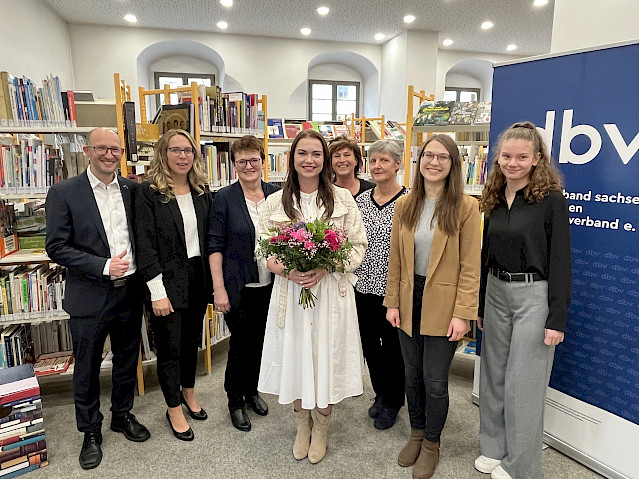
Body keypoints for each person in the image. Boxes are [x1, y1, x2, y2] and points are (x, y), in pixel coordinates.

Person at [257, 129, 367, 464]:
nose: (309, 160)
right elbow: (262, 251)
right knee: (297, 357)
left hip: (332, 294)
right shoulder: (274, 202)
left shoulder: (343, 199)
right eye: (302, 153)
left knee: (327, 358)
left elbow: (358, 248)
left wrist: (326, 266)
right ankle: (301, 424)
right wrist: (288, 270)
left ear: (325, 159)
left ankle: (321, 426)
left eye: (316, 154)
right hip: (291, 295)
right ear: (292, 158)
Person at [45, 127, 150, 470]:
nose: (109, 155)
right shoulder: (64, 192)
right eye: (102, 148)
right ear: (88, 150)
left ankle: (121, 415)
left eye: (115, 149)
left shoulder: (132, 189)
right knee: (87, 367)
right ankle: (90, 431)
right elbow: (56, 246)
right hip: (90, 294)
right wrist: (103, 266)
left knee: (125, 359)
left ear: (122, 153)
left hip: (130, 293)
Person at [474, 122, 571, 479]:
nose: (512, 163)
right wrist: (482, 304)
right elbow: (487, 253)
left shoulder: (551, 200)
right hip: (496, 291)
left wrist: (556, 318)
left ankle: (521, 465)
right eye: (506, 156)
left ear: (536, 160)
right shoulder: (494, 197)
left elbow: (561, 259)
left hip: (534, 294)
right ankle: (494, 447)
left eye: (521, 157)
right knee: (493, 376)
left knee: (523, 382)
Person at [385, 134, 481, 479]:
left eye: (443, 157)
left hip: (446, 300)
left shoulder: (466, 207)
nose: (434, 162)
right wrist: (392, 301)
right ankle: (416, 432)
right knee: (411, 374)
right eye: (429, 155)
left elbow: (471, 266)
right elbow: (396, 260)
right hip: (409, 297)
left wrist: (463, 313)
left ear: (453, 164)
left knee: (435, 379)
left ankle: (432, 443)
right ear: (419, 160)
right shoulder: (405, 205)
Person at [135, 129, 213, 442]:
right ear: (163, 154)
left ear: (195, 155)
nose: (182, 156)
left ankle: (189, 393)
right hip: (166, 283)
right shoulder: (148, 192)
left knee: (192, 342)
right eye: (175, 150)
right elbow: (146, 245)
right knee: (169, 348)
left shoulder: (202, 189)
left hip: (198, 278)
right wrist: (157, 292)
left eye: (188, 150)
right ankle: (173, 407)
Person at [208, 135, 280, 432]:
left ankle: (253, 391)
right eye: (242, 161)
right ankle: (234, 400)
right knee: (239, 346)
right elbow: (215, 245)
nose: (249, 166)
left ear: (263, 161)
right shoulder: (223, 198)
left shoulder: (276, 195)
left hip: (273, 286)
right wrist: (219, 289)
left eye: (254, 160)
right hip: (238, 287)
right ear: (234, 165)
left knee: (262, 344)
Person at [353, 139, 408, 430]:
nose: (378, 166)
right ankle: (380, 394)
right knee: (370, 347)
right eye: (373, 161)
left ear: (398, 164)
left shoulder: (409, 201)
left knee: (394, 350)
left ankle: (395, 400)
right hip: (362, 288)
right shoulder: (360, 200)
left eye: (385, 160)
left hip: (394, 292)